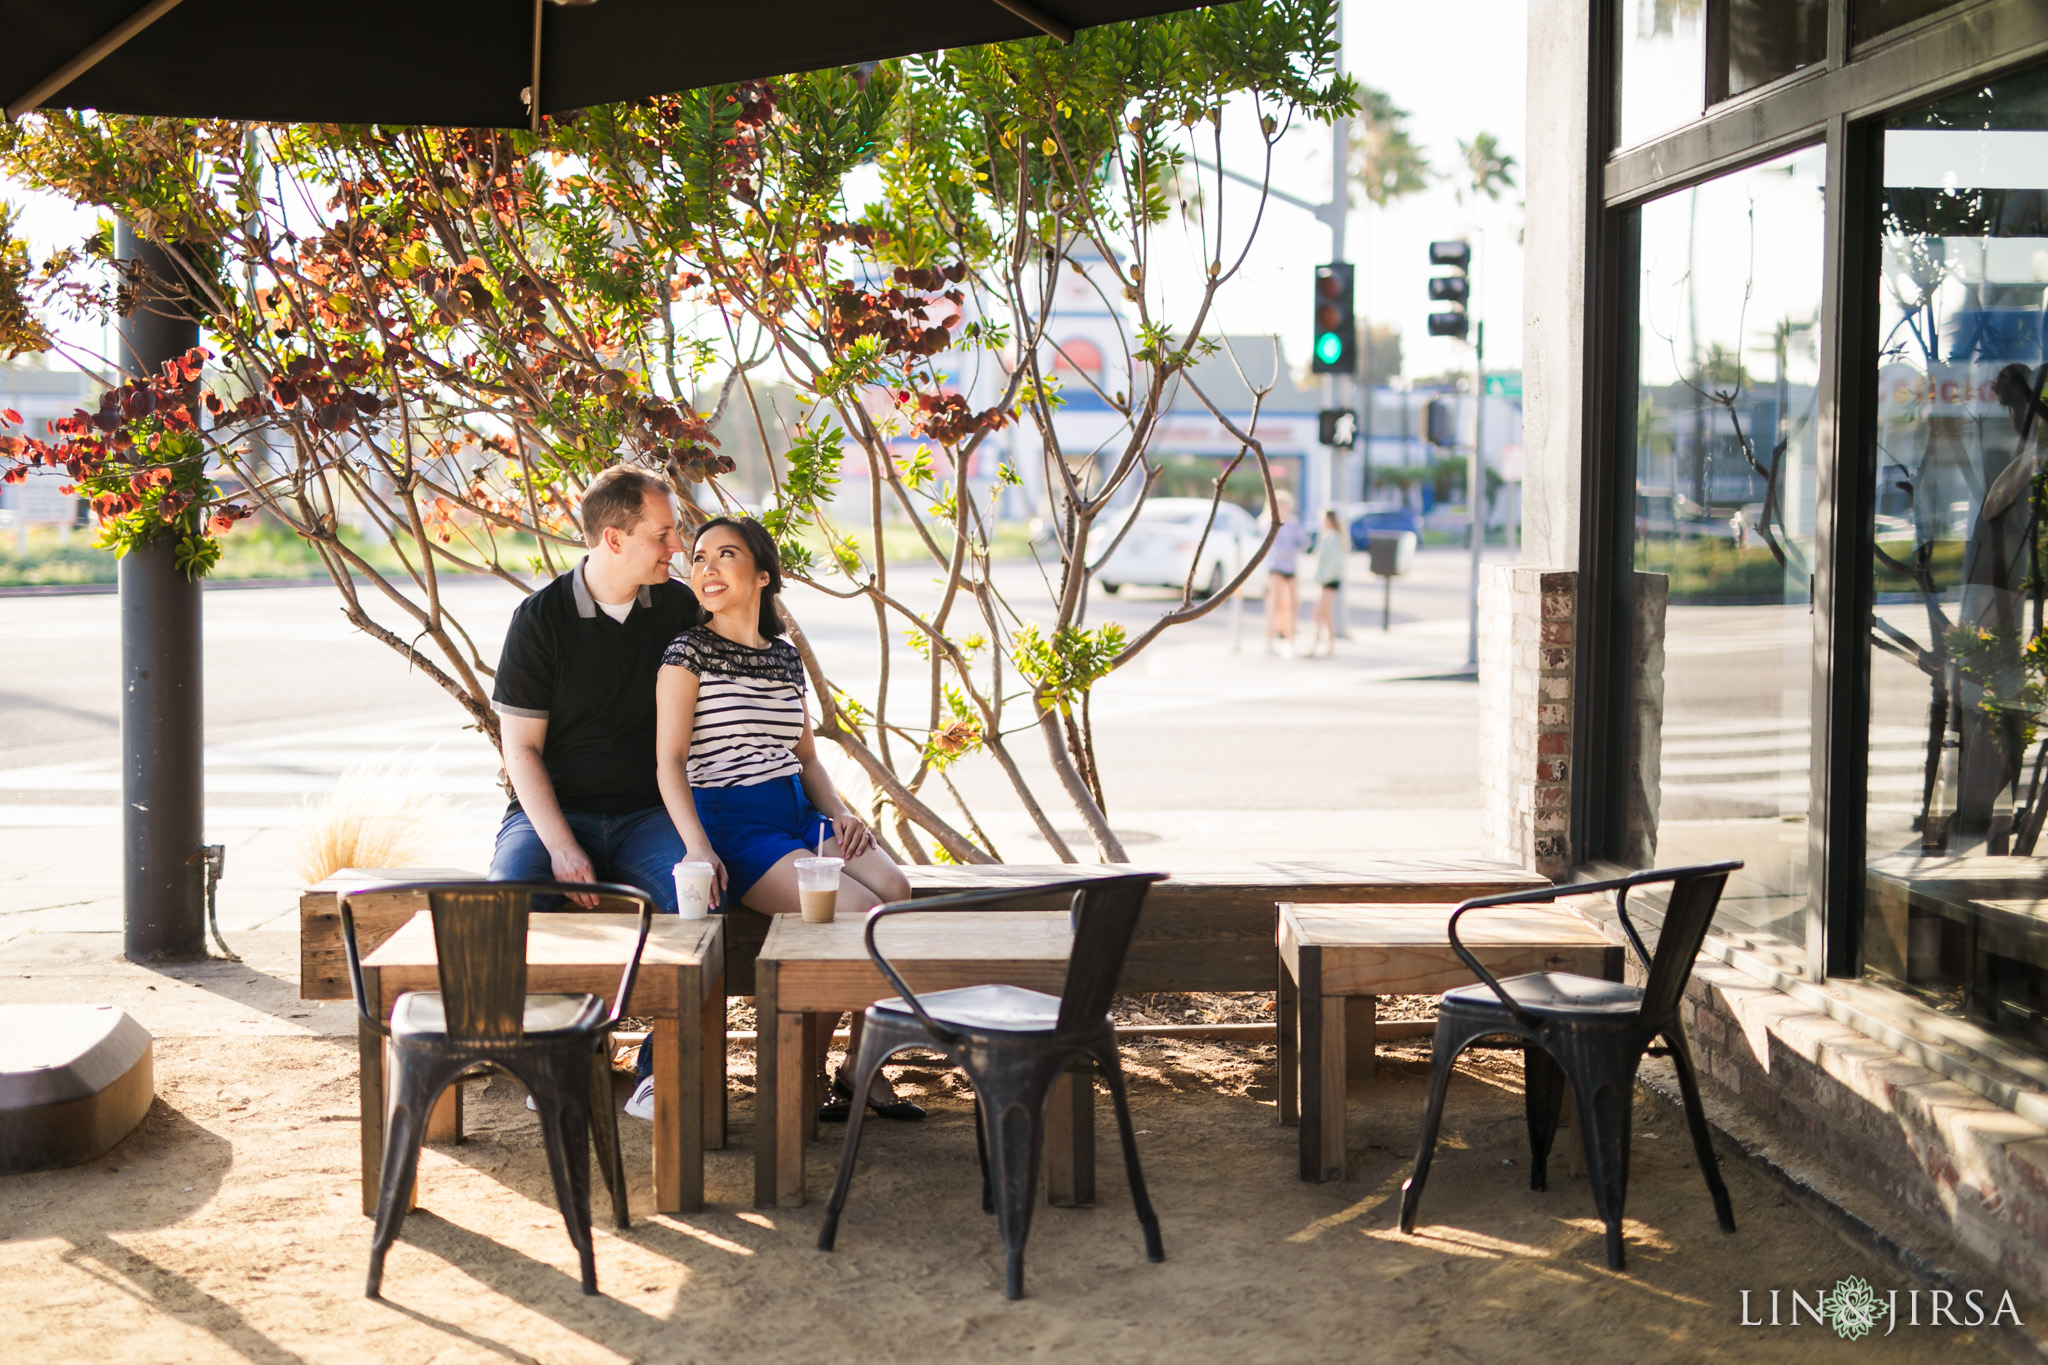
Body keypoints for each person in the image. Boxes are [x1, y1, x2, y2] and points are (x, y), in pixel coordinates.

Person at [654, 515, 923, 1121]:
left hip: (800, 813)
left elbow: (805, 758)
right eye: (698, 558)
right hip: (734, 822)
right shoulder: (687, 652)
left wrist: (841, 812)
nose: (707, 567)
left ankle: (861, 1069)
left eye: (726, 554)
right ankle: (800, 1072)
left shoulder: (782, 657)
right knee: (855, 913)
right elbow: (668, 763)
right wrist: (697, 846)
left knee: (896, 890)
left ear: (763, 575)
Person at [488, 465, 701, 1122]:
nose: (676, 547)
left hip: (647, 813)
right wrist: (561, 845)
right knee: (507, 898)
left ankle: (657, 1068)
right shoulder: (540, 620)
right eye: (663, 534)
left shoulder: (678, 606)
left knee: (694, 896)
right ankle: (558, 1051)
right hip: (555, 812)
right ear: (613, 539)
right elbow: (520, 748)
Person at [1264, 490, 1306, 657]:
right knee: (1274, 605)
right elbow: (1275, 550)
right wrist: (1292, 548)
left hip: (1290, 569)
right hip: (1276, 569)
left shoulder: (1293, 523)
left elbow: (1302, 542)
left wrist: (1296, 546)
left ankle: (1289, 641)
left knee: (1292, 605)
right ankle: (1269, 642)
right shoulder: (1270, 524)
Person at [1308, 507, 1345, 658]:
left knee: (1319, 613)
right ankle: (1329, 645)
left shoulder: (1333, 537)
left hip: (1328, 580)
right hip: (1326, 580)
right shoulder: (1329, 536)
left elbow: (1333, 562)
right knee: (1325, 613)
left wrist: (1323, 579)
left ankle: (1316, 645)